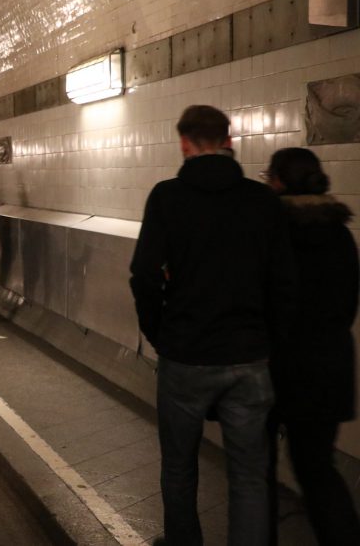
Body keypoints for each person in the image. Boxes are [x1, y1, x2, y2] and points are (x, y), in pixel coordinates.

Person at [129, 105, 296, 546]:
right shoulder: (263, 201)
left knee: (180, 466)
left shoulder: (166, 197)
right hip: (249, 356)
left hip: (185, 354)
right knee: (249, 475)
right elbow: (284, 282)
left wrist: (158, 333)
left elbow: (144, 273)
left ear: (185, 143)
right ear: (228, 139)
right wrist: (269, 343)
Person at [264, 148, 360, 545]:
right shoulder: (339, 232)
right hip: (330, 364)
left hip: (277, 365)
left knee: (256, 467)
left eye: (269, 176)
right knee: (317, 468)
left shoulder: (275, 232)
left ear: (281, 182)